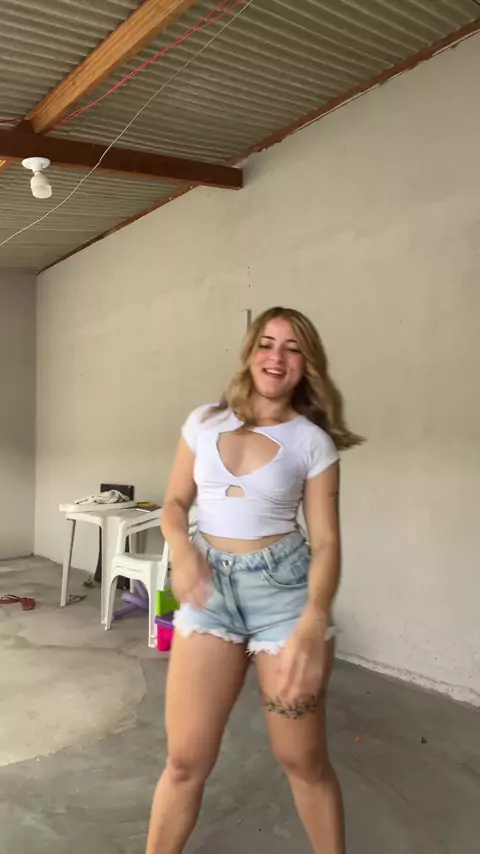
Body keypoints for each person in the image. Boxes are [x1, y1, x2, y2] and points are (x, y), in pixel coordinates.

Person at [146, 306, 362, 854]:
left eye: (292, 348)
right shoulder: (203, 422)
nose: (276, 357)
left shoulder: (312, 442)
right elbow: (173, 503)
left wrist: (314, 619)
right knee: (184, 761)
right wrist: (182, 551)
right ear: (249, 353)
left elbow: (327, 542)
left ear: (307, 364)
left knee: (303, 762)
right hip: (209, 591)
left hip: (283, 596)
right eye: (267, 343)